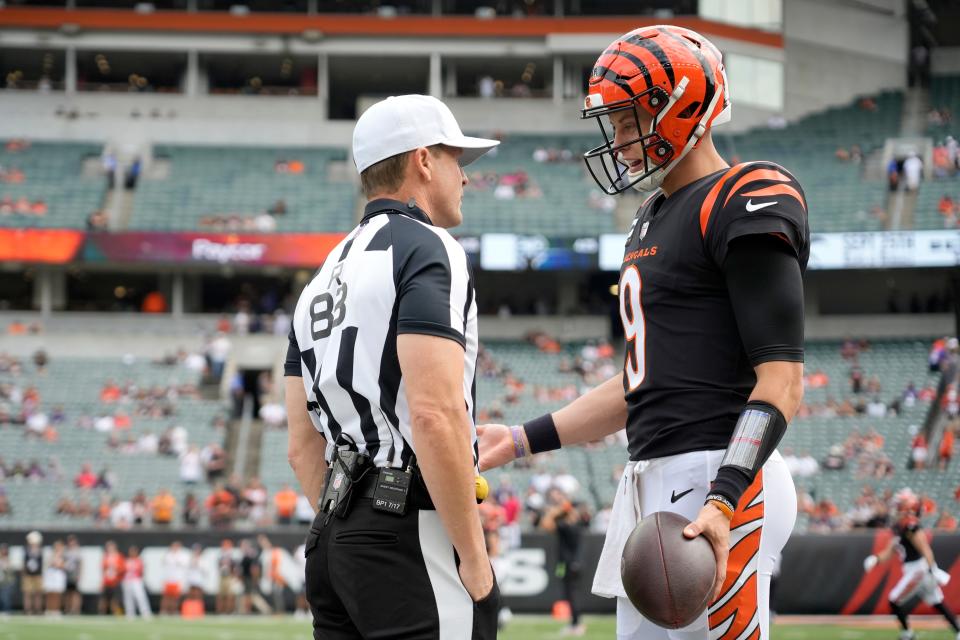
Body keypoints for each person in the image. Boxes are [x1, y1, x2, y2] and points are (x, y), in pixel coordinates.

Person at [479, 25, 805, 640]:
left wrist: (723, 498)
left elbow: (782, 380)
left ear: (679, 106)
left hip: (717, 474)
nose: (620, 140)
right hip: (656, 478)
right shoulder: (650, 218)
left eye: (629, 121)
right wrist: (522, 439)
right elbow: (641, 385)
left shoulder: (743, 196)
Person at [285, 94, 500, 639]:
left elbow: (300, 445)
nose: (465, 178)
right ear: (424, 161)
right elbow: (434, 412)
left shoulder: (321, 275)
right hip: (408, 528)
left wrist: (355, 526)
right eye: (456, 160)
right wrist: (474, 558)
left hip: (335, 534)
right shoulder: (428, 247)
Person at [864, 490, 960, 640]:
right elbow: (889, 551)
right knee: (937, 602)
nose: (896, 508)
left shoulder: (910, 525)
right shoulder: (900, 527)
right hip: (918, 569)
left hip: (918, 569)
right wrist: (875, 559)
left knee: (894, 599)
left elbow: (925, 548)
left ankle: (907, 634)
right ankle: (958, 631)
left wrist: (930, 569)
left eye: (899, 505)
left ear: (908, 507)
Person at [540, 488, 588, 637]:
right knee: (570, 594)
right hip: (571, 564)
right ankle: (575, 623)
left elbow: (545, 525)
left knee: (571, 594)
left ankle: (576, 625)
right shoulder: (573, 525)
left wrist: (555, 511)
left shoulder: (568, 526)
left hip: (570, 564)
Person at [122, 546, 152, 619]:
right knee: (128, 598)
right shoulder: (126, 561)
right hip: (127, 580)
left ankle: (145, 613)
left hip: (136, 580)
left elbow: (141, 571)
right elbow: (122, 571)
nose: (132, 553)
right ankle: (130, 613)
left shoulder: (139, 560)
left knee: (140, 597)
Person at [42, 539, 67, 616]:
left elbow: (64, 565)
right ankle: (49, 609)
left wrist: (59, 565)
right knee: (50, 592)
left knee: (57, 593)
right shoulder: (51, 554)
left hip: (58, 574)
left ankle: (56, 610)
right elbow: (48, 564)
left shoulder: (64, 555)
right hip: (51, 574)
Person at [99, 540, 124, 616]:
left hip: (116, 581)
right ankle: (103, 613)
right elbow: (103, 570)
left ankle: (115, 613)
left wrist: (116, 569)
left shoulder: (119, 556)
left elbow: (122, 569)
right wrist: (102, 581)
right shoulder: (106, 557)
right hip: (107, 581)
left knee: (115, 599)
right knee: (104, 599)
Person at [22, 531, 44, 615]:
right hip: (28, 574)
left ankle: (37, 609)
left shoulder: (40, 550)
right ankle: (27, 609)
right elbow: (24, 562)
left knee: (38, 593)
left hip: (38, 574)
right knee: (27, 593)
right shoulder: (26, 550)